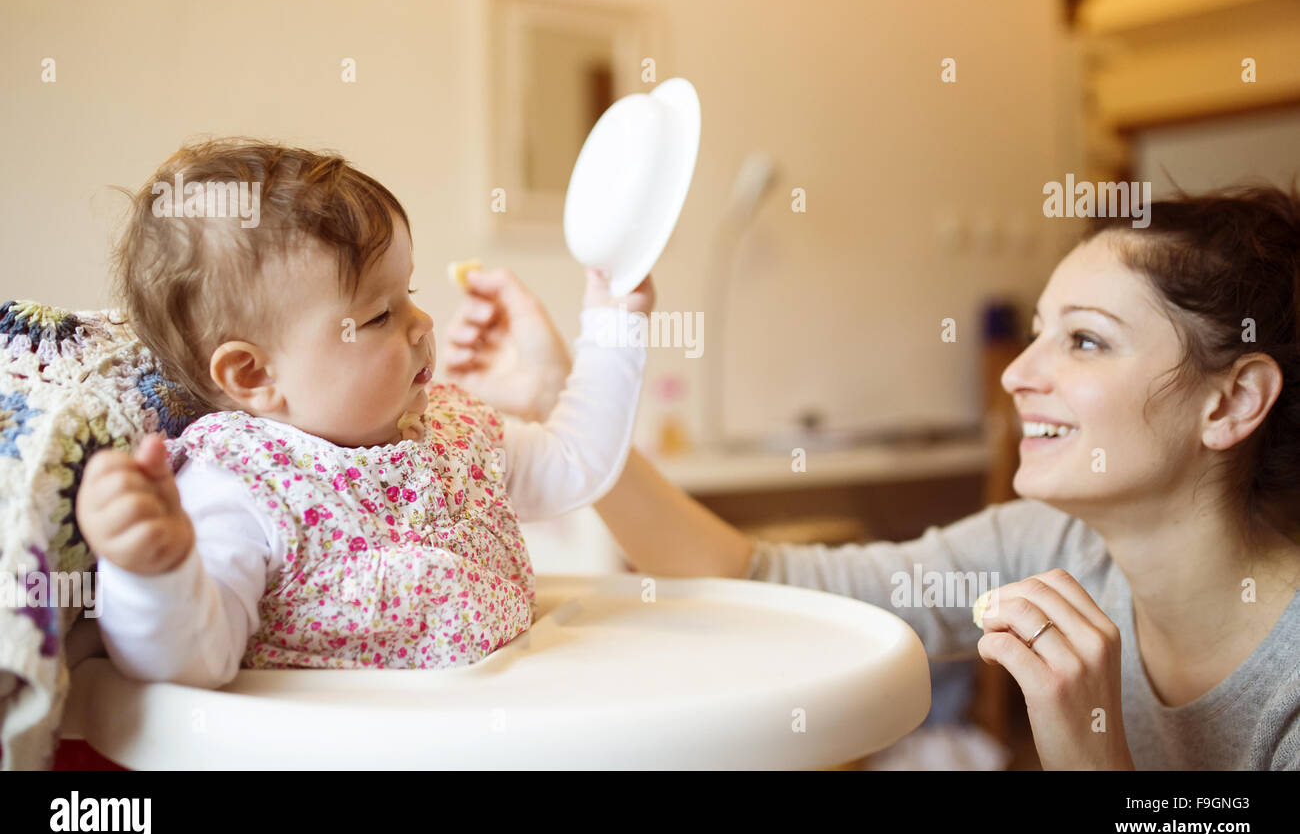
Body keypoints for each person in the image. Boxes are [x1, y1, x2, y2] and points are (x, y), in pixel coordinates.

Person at [445, 185, 1300, 770]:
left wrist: (1090, 752)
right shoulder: (1051, 548)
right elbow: (761, 582)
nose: (1015, 376)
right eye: (1038, 332)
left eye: (1084, 340)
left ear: (1232, 401)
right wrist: (569, 406)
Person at [75, 137, 652, 687]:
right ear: (254, 375)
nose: (423, 323)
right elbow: (191, 662)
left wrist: (612, 323)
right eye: (379, 315)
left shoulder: (456, 432)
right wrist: (153, 571)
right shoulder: (240, 486)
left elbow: (579, 462)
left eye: (411, 292)